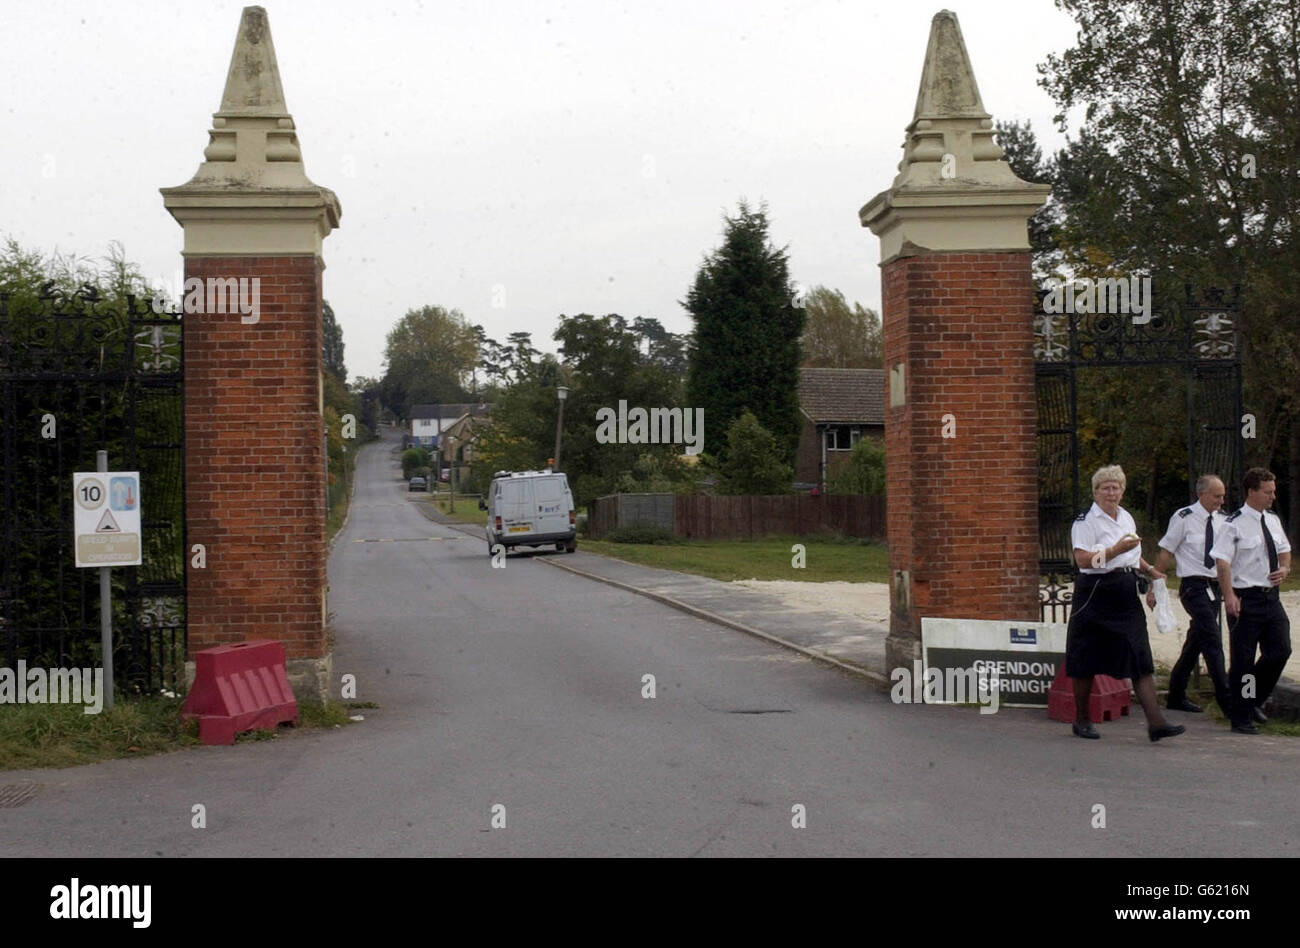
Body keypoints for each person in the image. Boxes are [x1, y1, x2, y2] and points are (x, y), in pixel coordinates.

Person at [1066, 465, 1184, 741]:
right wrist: (1115, 550)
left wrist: (1150, 570)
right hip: (1095, 591)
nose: (1111, 493)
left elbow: (1132, 556)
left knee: (1139, 654)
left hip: (1125, 591)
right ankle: (1082, 719)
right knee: (1085, 655)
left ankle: (1156, 723)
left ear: (1122, 490)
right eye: (1105, 488)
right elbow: (1083, 560)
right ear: (1095, 492)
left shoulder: (1127, 518)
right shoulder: (1085, 521)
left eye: (1115, 487)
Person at [1209, 467, 1292, 735]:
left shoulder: (1272, 520)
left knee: (1280, 650)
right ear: (1251, 492)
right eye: (1267, 492)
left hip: (1271, 596)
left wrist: (1286, 569)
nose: (1272, 496)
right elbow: (1222, 562)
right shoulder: (1233, 524)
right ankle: (1241, 717)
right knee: (1243, 660)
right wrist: (1229, 595)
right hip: (1246, 597)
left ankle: (1251, 699)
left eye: (1274, 491)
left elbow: (1284, 550)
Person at [1146, 475, 1231, 715]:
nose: (1221, 500)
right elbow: (1166, 552)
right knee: (1212, 639)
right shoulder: (1184, 517)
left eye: (1223, 495)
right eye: (1216, 496)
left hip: (1214, 587)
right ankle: (1226, 701)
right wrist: (1155, 587)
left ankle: (1175, 694)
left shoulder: (1225, 520)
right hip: (1194, 586)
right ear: (1202, 494)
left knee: (1196, 642)